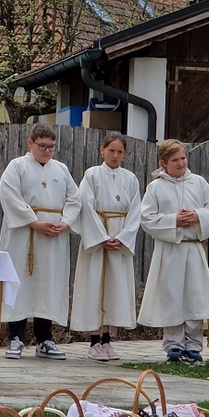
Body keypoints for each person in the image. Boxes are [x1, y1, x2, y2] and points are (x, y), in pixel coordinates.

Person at [0, 121, 81, 360]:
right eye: (42, 146)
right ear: (30, 143)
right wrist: (34, 222)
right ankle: (15, 338)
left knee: (48, 283)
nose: (46, 151)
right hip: (23, 234)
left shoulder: (61, 170)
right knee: (21, 281)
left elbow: (75, 199)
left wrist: (65, 222)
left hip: (53, 235)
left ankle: (45, 339)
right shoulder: (17, 166)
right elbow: (10, 194)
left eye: (51, 147)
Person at [138, 138, 209, 364]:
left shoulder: (198, 183)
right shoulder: (156, 187)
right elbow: (146, 218)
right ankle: (174, 345)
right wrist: (174, 220)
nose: (181, 163)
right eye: (175, 160)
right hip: (170, 249)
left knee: (195, 296)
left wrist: (197, 216)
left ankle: (194, 345)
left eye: (183, 158)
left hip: (193, 248)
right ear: (164, 163)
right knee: (172, 296)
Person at [70, 132, 141, 361]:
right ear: (102, 150)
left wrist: (123, 238)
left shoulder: (130, 179)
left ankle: (108, 340)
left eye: (120, 152)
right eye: (111, 150)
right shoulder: (92, 175)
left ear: (125, 154)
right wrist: (101, 237)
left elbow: (135, 211)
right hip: (98, 240)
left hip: (119, 239)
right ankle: (94, 342)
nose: (115, 155)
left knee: (115, 288)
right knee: (95, 286)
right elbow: (85, 206)